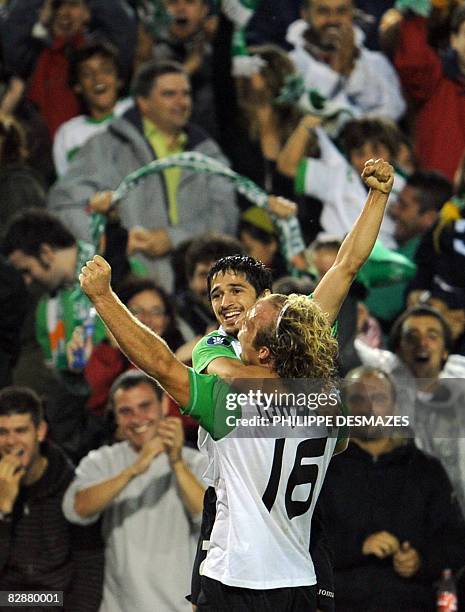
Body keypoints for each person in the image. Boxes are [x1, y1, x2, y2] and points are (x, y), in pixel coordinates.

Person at [77, 158, 394, 610]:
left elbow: (165, 366)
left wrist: (105, 298)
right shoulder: (322, 391)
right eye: (216, 295)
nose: (228, 309)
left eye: (239, 297)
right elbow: (344, 268)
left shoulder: (233, 391)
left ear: (266, 310)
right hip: (296, 567)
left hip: (239, 570)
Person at [47, 59, 238, 291]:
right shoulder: (107, 147)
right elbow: (63, 204)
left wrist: (173, 238)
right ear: (143, 103)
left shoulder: (207, 152)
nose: (182, 102)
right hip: (132, 289)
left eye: (186, 93)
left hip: (198, 291)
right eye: (169, 94)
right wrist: (112, 242)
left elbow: (226, 216)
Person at [320, 366, 465, 612]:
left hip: (412, 603)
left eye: (379, 398)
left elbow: (455, 542)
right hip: (340, 603)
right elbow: (301, 540)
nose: (368, 408)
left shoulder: (425, 469)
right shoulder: (321, 469)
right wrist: (358, 547)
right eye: (357, 398)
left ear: (395, 408)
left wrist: (420, 560)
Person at [62, 370, 206, 612]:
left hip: (180, 606)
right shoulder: (102, 461)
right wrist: (135, 469)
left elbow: (209, 519)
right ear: (115, 417)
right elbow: (76, 510)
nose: (137, 418)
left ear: (163, 404)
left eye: (145, 406)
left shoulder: (196, 462)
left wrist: (177, 464)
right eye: (126, 411)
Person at [0, 386, 104, 610]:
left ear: (40, 431)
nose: (11, 442)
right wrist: (3, 510)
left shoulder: (69, 484)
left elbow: (90, 570)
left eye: (20, 430)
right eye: (2, 432)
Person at [354, 304, 465, 514]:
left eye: (432, 336)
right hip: (410, 514)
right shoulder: (388, 373)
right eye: (411, 336)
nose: (422, 343)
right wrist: (354, 322)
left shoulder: (461, 376)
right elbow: (348, 347)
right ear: (398, 349)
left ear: (445, 351)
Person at [1, 0, 137, 137]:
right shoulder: (30, 57)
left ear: (87, 13)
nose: (63, 13)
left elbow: (121, 22)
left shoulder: (103, 55)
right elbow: (12, 26)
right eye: (56, 5)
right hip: (40, 152)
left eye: (72, 4)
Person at [380, 4, 465, 181]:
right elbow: (414, 59)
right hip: (434, 195)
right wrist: (418, 11)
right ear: (454, 39)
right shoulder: (433, 81)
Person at [287, 0, 405, 121]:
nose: (333, 20)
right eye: (323, 11)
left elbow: (393, 111)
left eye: (341, 11)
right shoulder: (289, 66)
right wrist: (334, 72)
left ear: (353, 13)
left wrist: (351, 70)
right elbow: (298, 116)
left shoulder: (377, 63)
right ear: (305, 14)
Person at [53, 40, 132, 176]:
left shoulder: (135, 112)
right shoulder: (67, 134)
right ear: (78, 86)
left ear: (119, 80)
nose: (98, 78)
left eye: (106, 70)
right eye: (87, 74)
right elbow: (69, 188)